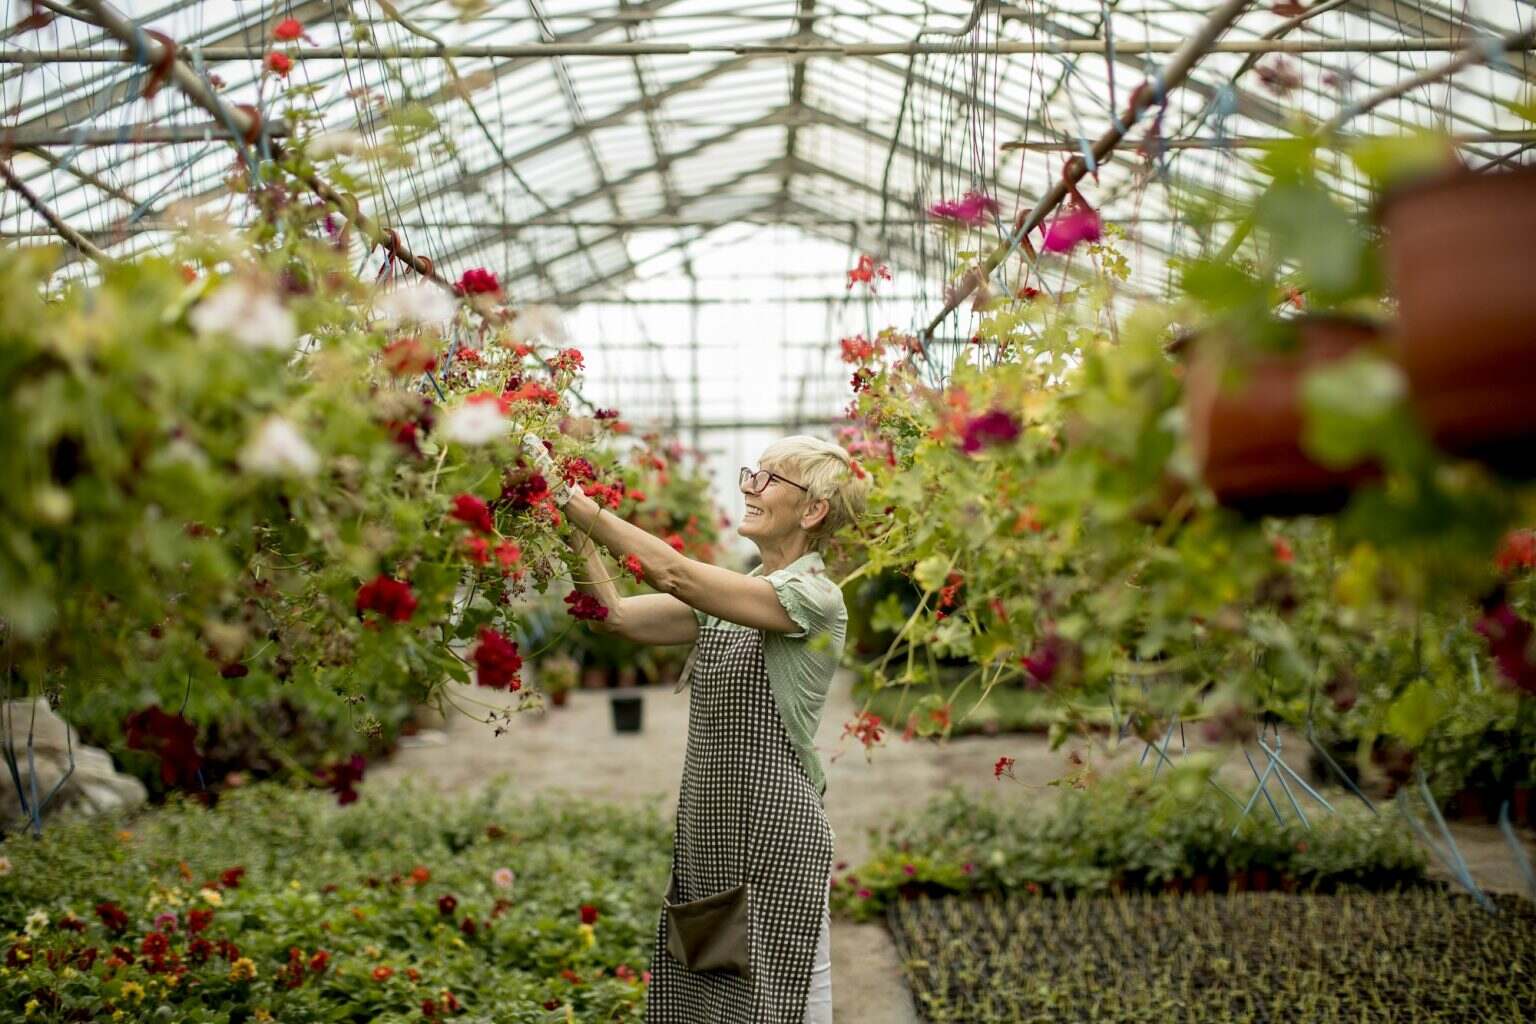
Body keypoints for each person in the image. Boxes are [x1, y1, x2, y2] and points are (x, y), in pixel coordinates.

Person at [522, 433, 868, 1023]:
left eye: (768, 479)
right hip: (711, 836)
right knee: (710, 1007)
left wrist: (570, 495)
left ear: (812, 510)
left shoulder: (815, 599)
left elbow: (675, 574)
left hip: (773, 841)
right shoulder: (736, 599)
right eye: (751, 474)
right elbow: (617, 617)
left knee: (782, 1007)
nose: (750, 487)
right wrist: (570, 526)